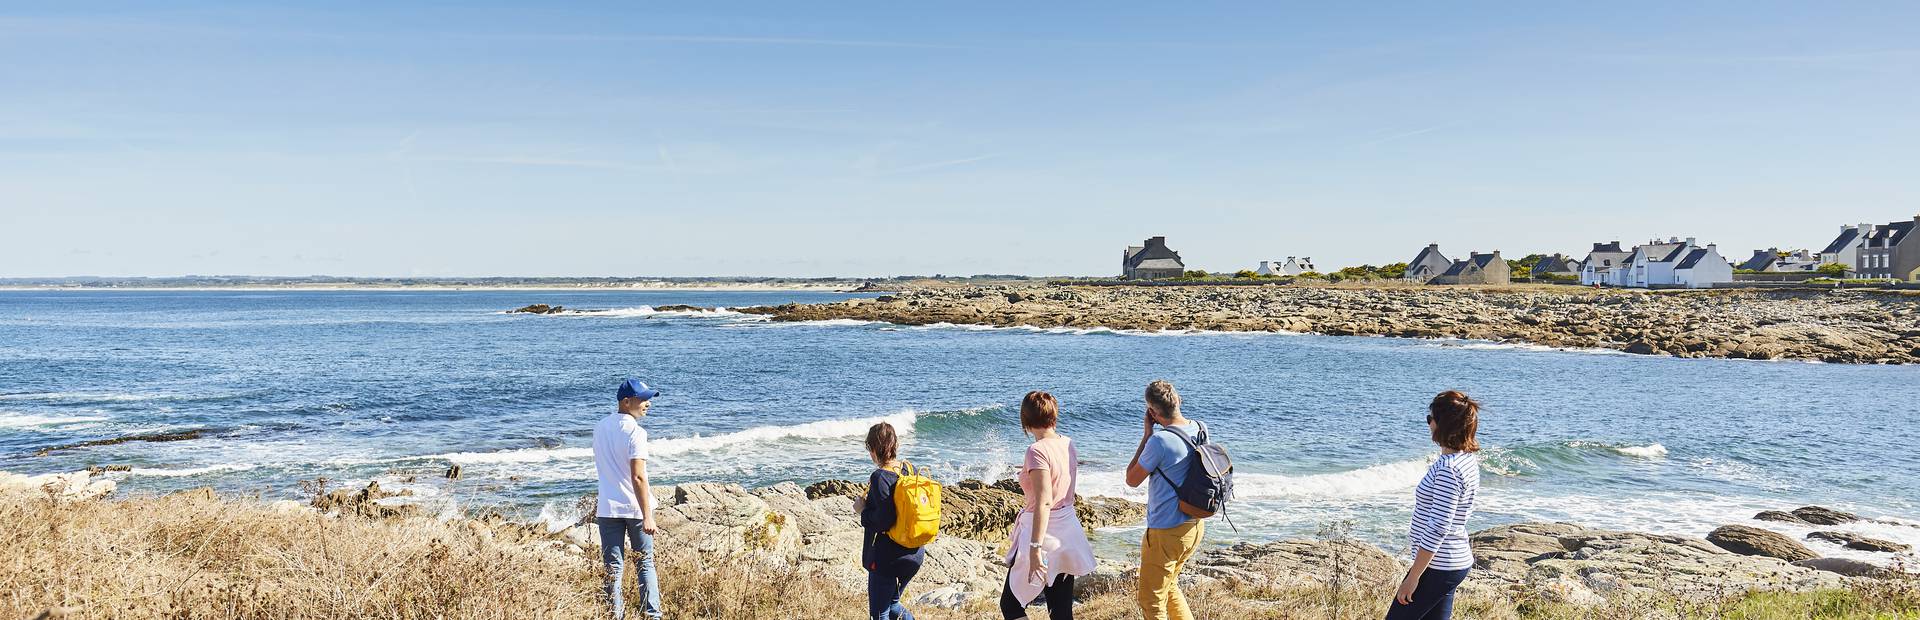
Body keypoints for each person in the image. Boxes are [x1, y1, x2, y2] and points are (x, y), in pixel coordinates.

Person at [1386, 391, 1483, 620]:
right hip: (1453, 562)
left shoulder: (1449, 469)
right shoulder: (1465, 460)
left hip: (1439, 566)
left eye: (1430, 419)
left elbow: (1439, 526)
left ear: (1443, 426)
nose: (1428, 424)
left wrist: (1413, 577)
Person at [1000, 391, 1096, 620]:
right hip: (1068, 532)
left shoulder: (1036, 451)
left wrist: (1035, 548)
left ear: (1025, 419)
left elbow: (1044, 501)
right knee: (1060, 611)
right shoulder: (1068, 443)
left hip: (1044, 535)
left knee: (1010, 605)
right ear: (1054, 415)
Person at [1124, 380, 1204, 620]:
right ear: (1178, 400)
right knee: (1169, 588)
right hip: (1194, 524)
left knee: (1151, 600)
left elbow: (1131, 479)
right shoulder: (1200, 428)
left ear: (1152, 411)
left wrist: (1147, 435)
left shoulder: (1159, 442)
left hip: (1166, 531)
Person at [592, 378, 664, 620]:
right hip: (634, 509)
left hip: (608, 507)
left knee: (612, 568)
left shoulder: (600, 427)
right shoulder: (636, 432)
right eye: (643, 399)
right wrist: (648, 515)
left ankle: (614, 616)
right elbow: (638, 477)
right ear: (626, 401)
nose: (647, 404)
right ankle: (652, 616)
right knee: (644, 564)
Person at [855, 422, 926, 620]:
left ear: (874, 449)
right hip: (914, 552)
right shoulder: (910, 469)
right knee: (893, 605)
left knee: (879, 614)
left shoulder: (879, 477)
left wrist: (862, 511)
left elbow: (884, 521)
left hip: (888, 558)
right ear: (895, 444)